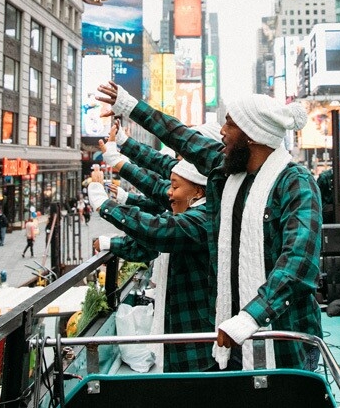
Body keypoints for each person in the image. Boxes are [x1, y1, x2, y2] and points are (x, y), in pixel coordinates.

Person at [97, 82, 322, 370]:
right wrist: (129, 106)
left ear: (252, 135)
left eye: (230, 125)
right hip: (231, 328)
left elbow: (298, 263)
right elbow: (182, 137)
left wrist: (252, 316)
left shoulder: (295, 183)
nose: (222, 132)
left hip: (284, 333)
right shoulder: (229, 171)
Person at [90, 159, 215, 372]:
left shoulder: (203, 219)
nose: (169, 193)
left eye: (175, 186)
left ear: (198, 191)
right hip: (184, 333)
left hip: (197, 340)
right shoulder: (186, 215)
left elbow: (157, 231)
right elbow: (148, 246)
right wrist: (109, 243)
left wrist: (103, 204)